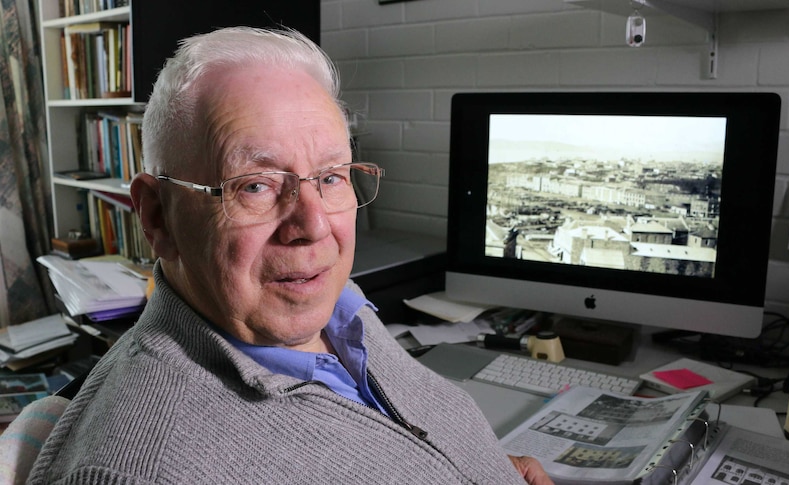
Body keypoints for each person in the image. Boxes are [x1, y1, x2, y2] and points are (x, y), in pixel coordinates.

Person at [28, 27, 552, 484]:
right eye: (254, 185)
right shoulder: (137, 469)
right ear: (158, 217)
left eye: (330, 177)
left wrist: (471, 463)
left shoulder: (335, 307)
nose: (314, 226)